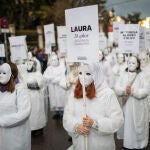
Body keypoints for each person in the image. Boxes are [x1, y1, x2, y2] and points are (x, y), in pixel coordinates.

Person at [63, 63, 124, 150]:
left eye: (88, 73)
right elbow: (67, 117)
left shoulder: (107, 94)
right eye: (80, 73)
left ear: (96, 74)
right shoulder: (74, 94)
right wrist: (76, 126)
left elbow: (118, 120)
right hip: (80, 145)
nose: (83, 77)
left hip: (101, 146)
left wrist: (96, 124)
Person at [114, 56, 149, 149]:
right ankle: (127, 145)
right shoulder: (122, 74)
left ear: (137, 64)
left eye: (133, 63)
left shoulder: (142, 76)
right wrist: (124, 90)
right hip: (126, 106)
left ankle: (139, 145)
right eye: (129, 62)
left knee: (137, 126)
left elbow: (146, 90)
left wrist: (133, 91)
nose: (131, 64)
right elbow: (116, 87)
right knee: (127, 126)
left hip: (138, 107)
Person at [0, 63, 31, 150]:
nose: (1, 75)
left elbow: (24, 113)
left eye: (4, 73)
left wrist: (2, 121)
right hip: (2, 137)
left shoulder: (20, 90)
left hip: (16, 137)